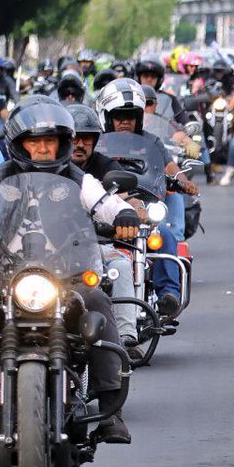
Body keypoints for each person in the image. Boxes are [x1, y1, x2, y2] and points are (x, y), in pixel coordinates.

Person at [0, 100, 138, 443]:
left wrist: (124, 216)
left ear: (62, 143)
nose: (42, 148)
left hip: (66, 274)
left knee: (98, 301)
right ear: (20, 144)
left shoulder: (77, 179)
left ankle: (111, 412)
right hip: (3, 274)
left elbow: (106, 203)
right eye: (34, 141)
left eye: (49, 141)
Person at [95, 79, 199, 318]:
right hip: (106, 208)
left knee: (163, 234)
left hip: (143, 205)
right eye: (119, 116)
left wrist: (183, 182)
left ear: (139, 118)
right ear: (107, 117)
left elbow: (168, 165)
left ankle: (168, 294)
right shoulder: (96, 143)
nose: (125, 121)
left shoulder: (150, 140)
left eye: (130, 116)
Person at [67, 103, 141, 356]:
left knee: (119, 265)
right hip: (50, 247)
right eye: (74, 137)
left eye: (86, 138)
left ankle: (125, 338)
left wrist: (129, 212)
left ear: (95, 141)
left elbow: (119, 199)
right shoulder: (45, 170)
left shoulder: (103, 168)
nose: (79, 144)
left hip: (96, 242)